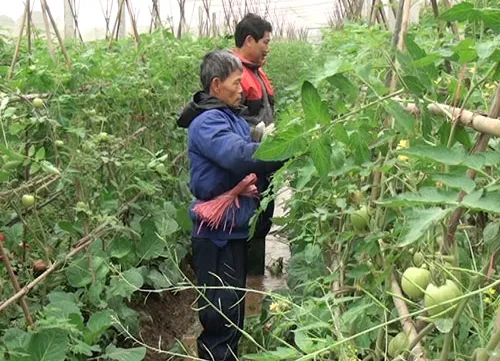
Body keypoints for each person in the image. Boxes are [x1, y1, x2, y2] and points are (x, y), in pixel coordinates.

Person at [177, 50, 282, 361]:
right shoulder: (208, 122)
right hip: (217, 235)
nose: (242, 89)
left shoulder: (225, 116)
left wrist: (260, 136)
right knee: (220, 313)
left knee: (232, 307)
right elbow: (238, 156)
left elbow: (244, 141)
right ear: (216, 85)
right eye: (237, 83)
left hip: (231, 230)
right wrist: (284, 149)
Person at [233, 13, 276, 276]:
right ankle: (247, 283)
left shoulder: (256, 72)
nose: (267, 48)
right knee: (250, 219)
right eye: (265, 42)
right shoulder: (233, 76)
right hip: (249, 165)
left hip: (264, 162)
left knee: (263, 218)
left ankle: (254, 284)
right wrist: (257, 134)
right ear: (249, 40)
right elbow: (228, 124)